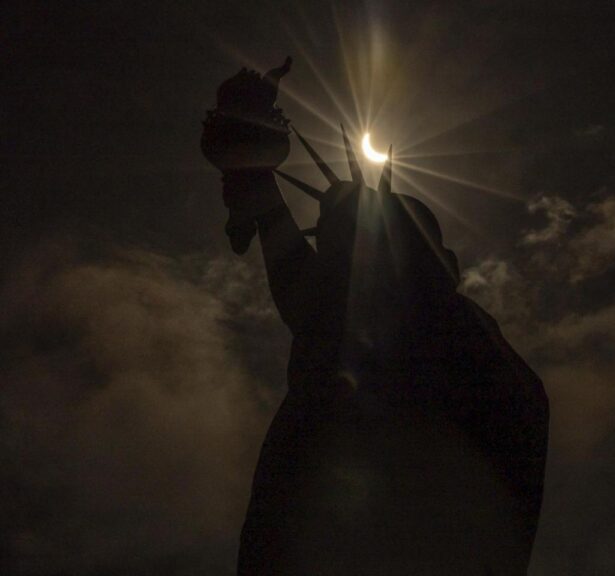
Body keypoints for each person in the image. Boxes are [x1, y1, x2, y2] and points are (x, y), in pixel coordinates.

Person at [201, 61, 548, 575]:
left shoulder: (420, 340)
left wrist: (253, 177)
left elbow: (318, 299)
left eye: (340, 245)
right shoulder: (469, 352)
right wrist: (254, 179)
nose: (327, 262)